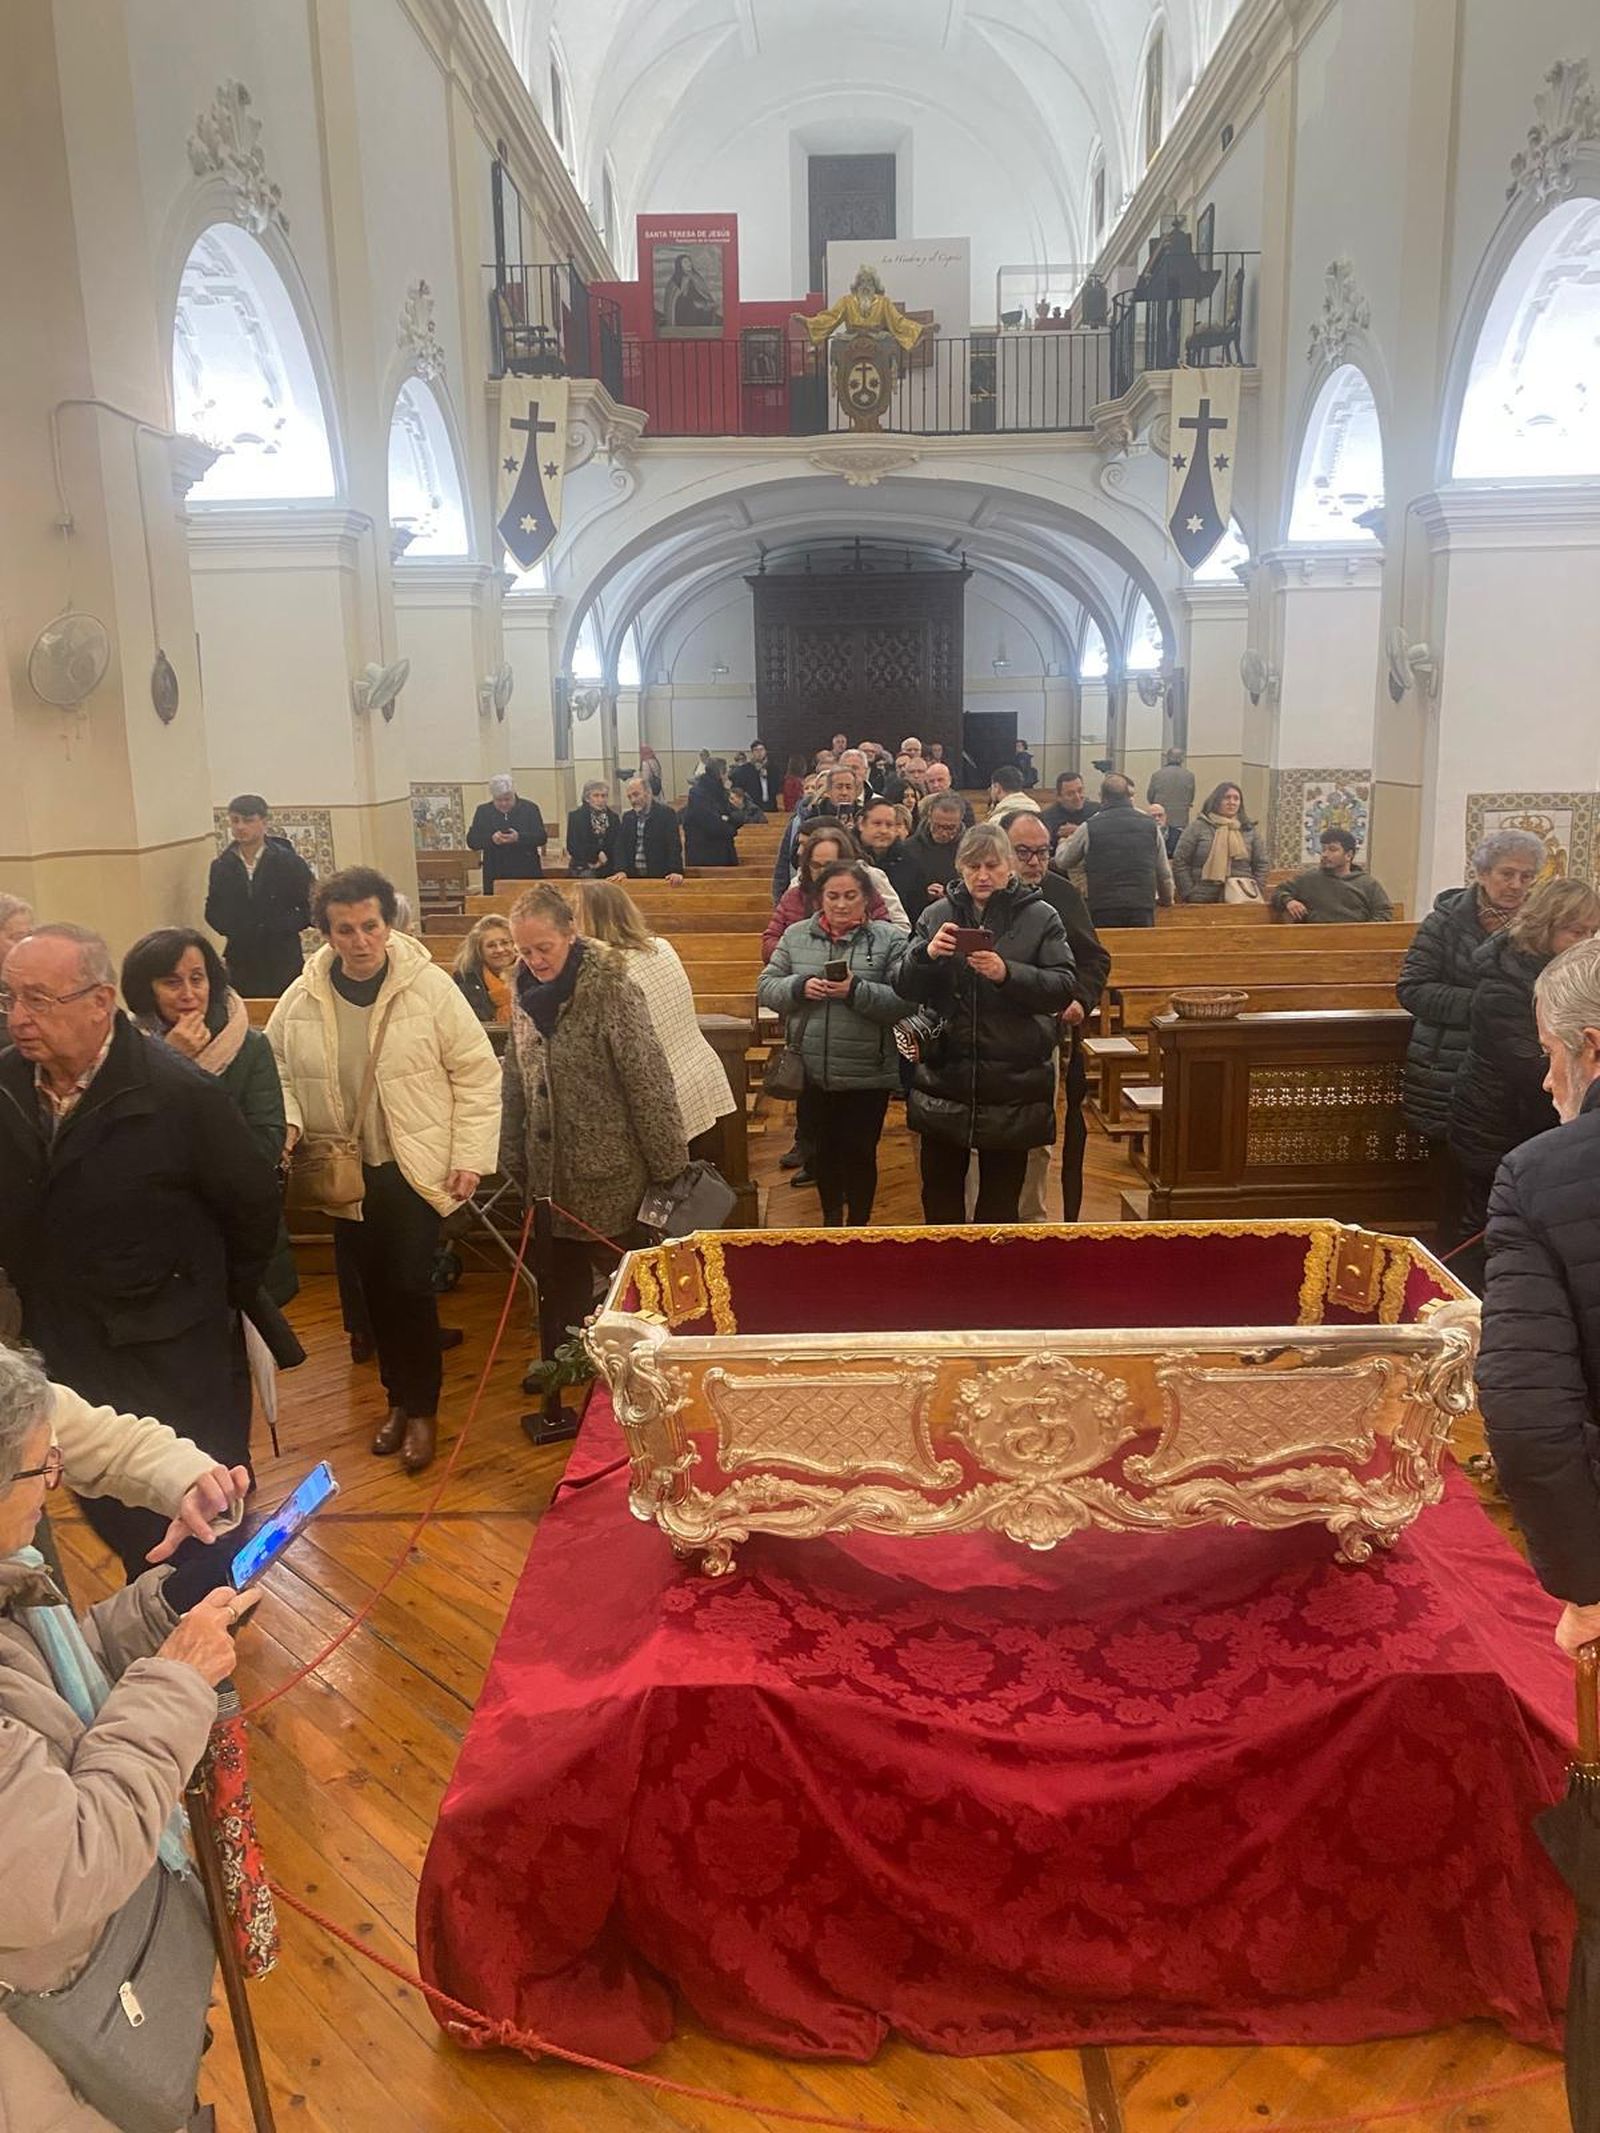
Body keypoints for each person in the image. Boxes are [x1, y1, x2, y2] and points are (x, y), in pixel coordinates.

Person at [0, 1346, 257, 2133]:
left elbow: (39, 1694)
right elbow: (62, 1867)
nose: (57, 1485)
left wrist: (156, 1614)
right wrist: (176, 1682)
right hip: (45, 2044)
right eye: (41, 1469)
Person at [0, 924, 279, 1578]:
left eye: (39, 999)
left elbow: (251, 1211)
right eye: (9, 997)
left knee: (192, 1528)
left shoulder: (178, 1095)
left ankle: (203, 1657)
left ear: (100, 1002)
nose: (18, 1017)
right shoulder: (8, 1086)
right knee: (114, 1515)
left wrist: (191, 1300)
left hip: (170, 1354)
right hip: (59, 1344)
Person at [267, 868, 500, 1476]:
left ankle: (422, 1410)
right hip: (344, 1170)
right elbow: (279, 1073)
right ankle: (395, 1402)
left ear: (388, 924)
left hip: (412, 1166)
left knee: (409, 1289)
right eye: (345, 930)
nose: (360, 940)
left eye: (370, 926)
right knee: (370, 1299)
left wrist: (468, 1156)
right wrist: (290, 1122)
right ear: (327, 934)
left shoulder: (428, 988)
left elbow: (477, 1073)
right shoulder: (302, 997)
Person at [501, 885, 687, 1426]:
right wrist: (510, 1148)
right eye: (524, 951)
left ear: (570, 936)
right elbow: (516, 1071)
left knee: (631, 1279)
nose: (534, 961)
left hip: (610, 1169)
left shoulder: (611, 988)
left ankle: (648, 1373)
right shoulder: (521, 989)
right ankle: (566, 1370)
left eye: (544, 949)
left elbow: (647, 1079)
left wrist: (668, 1167)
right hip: (548, 1172)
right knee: (557, 1284)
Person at [1476, 937, 1600, 1649]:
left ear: (1589, 1047)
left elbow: (1529, 1413)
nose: (1549, 1082)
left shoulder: (1537, 1173)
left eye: (1551, 1054)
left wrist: (1585, 1586)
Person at [896, 822, 1076, 1224]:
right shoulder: (937, 915)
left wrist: (1006, 973)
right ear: (960, 867)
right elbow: (904, 986)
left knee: (1000, 1205)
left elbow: (1063, 986)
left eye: (992, 865)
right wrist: (925, 955)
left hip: (1011, 1082)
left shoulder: (1040, 916)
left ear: (1010, 867)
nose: (982, 875)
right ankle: (947, 1281)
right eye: (973, 865)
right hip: (945, 1078)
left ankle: (991, 1282)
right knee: (940, 1200)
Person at [120, 927, 297, 1310]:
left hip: (235, 1224)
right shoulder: (127, 1050)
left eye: (197, 978)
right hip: (156, 1233)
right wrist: (170, 1060)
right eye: (171, 982)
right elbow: (125, 1141)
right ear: (146, 988)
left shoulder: (249, 1046)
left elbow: (266, 1141)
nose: (188, 993)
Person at [1446, 876, 1600, 1288]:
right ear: (1546, 928)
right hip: (1495, 1126)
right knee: (1485, 1230)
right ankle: (1462, 1310)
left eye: (1593, 932)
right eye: (1575, 931)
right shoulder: (1502, 986)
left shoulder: (1579, 982)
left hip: (1541, 1131)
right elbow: (1534, 1072)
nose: (1585, 941)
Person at [758, 862, 909, 1227]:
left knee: (859, 1154)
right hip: (812, 1072)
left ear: (867, 899)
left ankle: (859, 1226)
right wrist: (799, 987)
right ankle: (830, 1223)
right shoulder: (795, 936)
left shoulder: (890, 940)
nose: (841, 905)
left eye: (850, 896)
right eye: (833, 896)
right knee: (822, 1153)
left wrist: (856, 990)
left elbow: (906, 1002)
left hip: (866, 1072)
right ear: (819, 899)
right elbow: (766, 987)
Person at [1397, 827, 1546, 1153]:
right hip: (1447, 1067)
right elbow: (1413, 989)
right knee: (1451, 1171)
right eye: (1507, 874)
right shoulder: (1444, 923)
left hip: (1516, 1069)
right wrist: (1487, 1005)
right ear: (1481, 873)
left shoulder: (1540, 928)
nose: (1517, 885)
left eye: (1527, 876)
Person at [565, 880, 735, 1151]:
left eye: (573, 915)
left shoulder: (607, 970)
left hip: (655, 1095)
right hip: (695, 1073)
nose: (567, 925)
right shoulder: (660, 946)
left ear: (592, 919)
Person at [1006, 813, 1112, 1223]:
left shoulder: (1062, 894)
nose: (1034, 862)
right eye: (1024, 853)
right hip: (981, 1037)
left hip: (1040, 1034)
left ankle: (1031, 1220)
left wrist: (1080, 1002)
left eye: (1043, 852)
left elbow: (1094, 958)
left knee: (1037, 1135)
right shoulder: (981, 893)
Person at [203, 794, 314, 1000]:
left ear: (264, 822)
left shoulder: (289, 862)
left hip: (282, 955)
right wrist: (233, 927)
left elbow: (311, 905)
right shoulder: (221, 866)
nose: (241, 827)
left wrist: (282, 927)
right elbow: (213, 909)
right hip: (241, 956)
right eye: (235, 821)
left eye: (248, 820)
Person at [763, 825, 903, 962]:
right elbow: (769, 944)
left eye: (830, 865)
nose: (823, 871)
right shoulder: (793, 897)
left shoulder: (867, 895)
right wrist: (803, 954)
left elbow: (885, 938)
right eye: (816, 865)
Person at [1054, 775, 1174, 928]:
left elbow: (1064, 861)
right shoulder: (1150, 826)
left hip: (1103, 906)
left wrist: (1064, 841)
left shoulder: (1090, 826)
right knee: (1140, 949)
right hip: (1141, 905)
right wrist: (1166, 899)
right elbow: (1163, 872)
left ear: (1102, 797)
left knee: (1108, 950)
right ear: (1128, 795)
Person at [771, 766, 866, 897]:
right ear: (828, 791)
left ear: (856, 792)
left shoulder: (864, 818)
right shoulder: (811, 815)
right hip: (813, 885)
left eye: (849, 787)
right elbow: (792, 857)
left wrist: (853, 833)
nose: (844, 792)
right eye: (839, 787)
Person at [1172, 782, 1270, 903]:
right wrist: (1188, 892)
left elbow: (1262, 864)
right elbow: (1180, 861)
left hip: (1242, 895)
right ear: (1216, 801)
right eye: (1227, 797)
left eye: (1236, 798)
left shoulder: (1248, 830)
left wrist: (1256, 888)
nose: (1232, 802)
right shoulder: (1198, 828)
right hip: (1202, 896)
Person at [1274, 829, 1394, 923]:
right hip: (1315, 942)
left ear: (1348, 855)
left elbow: (1384, 913)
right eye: (1323, 849)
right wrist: (1289, 901)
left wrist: (1362, 933)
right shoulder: (1309, 879)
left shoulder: (1367, 884)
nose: (1325, 854)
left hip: (1357, 942)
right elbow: (1279, 891)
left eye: (1332, 849)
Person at [467, 774, 548, 891]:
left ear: (514, 795)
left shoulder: (530, 809)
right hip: (495, 871)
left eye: (507, 799)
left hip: (526, 870)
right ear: (493, 797)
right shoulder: (483, 812)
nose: (504, 804)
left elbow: (541, 837)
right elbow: (472, 841)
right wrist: (492, 839)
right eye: (499, 800)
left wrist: (519, 838)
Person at [856, 798, 929, 916]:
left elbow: (918, 911)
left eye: (889, 825)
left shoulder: (910, 864)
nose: (884, 830)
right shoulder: (846, 858)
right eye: (877, 823)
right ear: (861, 824)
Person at [900, 792, 968, 909]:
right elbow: (902, 891)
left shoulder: (970, 848)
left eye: (950, 828)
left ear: (960, 820)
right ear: (930, 815)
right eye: (938, 826)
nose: (943, 833)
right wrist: (923, 893)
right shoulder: (908, 848)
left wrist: (950, 894)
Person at [616, 774, 685, 882]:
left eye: (636, 794)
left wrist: (675, 870)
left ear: (648, 793)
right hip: (633, 877)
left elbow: (674, 845)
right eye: (629, 797)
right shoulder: (628, 817)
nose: (633, 800)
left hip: (660, 876)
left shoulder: (666, 814)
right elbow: (621, 847)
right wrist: (621, 870)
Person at [451, 915, 519, 1024]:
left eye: (505, 943)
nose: (500, 950)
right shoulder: (466, 980)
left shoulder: (532, 973)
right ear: (479, 951)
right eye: (491, 945)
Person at [681, 759, 744, 867]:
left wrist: (727, 819)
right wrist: (731, 829)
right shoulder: (698, 794)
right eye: (725, 773)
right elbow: (712, 824)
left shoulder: (721, 792)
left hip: (722, 852)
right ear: (720, 774)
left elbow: (738, 815)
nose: (727, 777)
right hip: (704, 855)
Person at [564, 780, 623, 877]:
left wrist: (604, 858)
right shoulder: (576, 817)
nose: (600, 800)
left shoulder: (613, 817)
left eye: (604, 796)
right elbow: (572, 845)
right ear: (587, 798)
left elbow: (617, 844)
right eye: (596, 796)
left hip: (608, 866)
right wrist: (596, 854)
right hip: (583, 866)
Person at [1146, 748, 1196, 832]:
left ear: (1167, 758)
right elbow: (1191, 797)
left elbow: (1150, 796)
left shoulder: (1157, 775)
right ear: (1182, 759)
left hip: (1160, 816)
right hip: (1181, 818)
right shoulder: (1189, 776)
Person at [1040, 770, 1097, 843]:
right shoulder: (1047, 818)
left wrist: (1079, 831)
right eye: (1070, 794)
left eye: (1080, 791)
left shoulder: (1096, 811)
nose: (1077, 797)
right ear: (1059, 797)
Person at [731, 741, 777, 813]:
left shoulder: (773, 769)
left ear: (765, 751)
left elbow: (777, 787)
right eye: (756, 750)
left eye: (761, 749)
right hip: (752, 808)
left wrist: (767, 777)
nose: (759, 753)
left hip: (771, 807)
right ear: (752, 753)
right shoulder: (744, 770)